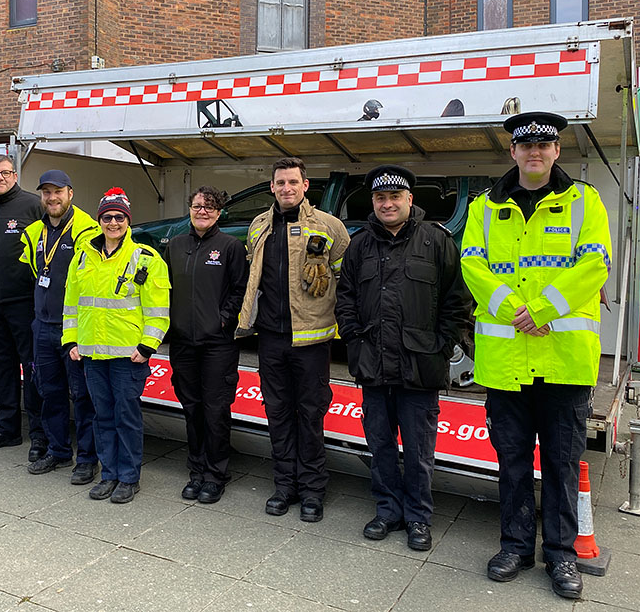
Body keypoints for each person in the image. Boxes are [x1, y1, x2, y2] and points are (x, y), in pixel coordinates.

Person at [460, 112, 612, 600]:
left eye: (544, 145)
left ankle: (562, 555)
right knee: (513, 462)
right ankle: (515, 546)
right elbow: (472, 264)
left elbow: (596, 263)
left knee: (563, 465)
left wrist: (543, 309)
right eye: (525, 145)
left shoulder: (583, 201)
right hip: (507, 365)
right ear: (513, 152)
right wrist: (515, 309)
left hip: (563, 362)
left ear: (556, 151)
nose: (534, 152)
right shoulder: (485, 207)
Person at [335, 165, 471, 550]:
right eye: (380, 198)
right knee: (379, 446)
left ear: (410, 200)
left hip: (420, 367)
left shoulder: (435, 241)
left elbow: (457, 301)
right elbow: (345, 298)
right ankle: (387, 511)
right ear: (373, 202)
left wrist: (442, 347)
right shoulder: (359, 245)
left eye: (395, 197)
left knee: (418, 451)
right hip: (373, 366)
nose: (388, 204)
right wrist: (354, 341)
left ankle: (418, 518)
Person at [235, 157, 350, 522]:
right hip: (270, 339)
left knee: (311, 415)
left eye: (293, 182)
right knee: (278, 414)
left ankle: (314, 490)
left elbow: (346, 283)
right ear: (272, 187)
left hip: (312, 342)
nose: (286, 188)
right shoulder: (258, 226)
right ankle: (285, 485)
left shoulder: (330, 227)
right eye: (280, 182)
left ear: (305, 186)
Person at [63, 188, 170, 504]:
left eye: (119, 217)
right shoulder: (83, 255)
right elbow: (71, 303)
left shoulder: (146, 258)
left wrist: (148, 345)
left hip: (129, 356)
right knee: (103, 416)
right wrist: (71, 339)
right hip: (92, 353)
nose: (113, 222)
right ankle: (108, 474)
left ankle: (128, 478)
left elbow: (158, 308)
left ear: (128, 221)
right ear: (99, 220)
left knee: (126, 417)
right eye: (107, 217)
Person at [166, 186, 248, 504]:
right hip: (183, 342)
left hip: (218, 344)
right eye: (198, 205)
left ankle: (215, 475)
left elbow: (240, 290)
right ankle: (196, 471)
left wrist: (222, 320)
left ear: (220, 212)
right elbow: (165, 289)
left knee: (215, 410)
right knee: (192, 408)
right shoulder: (175, 245)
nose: (203, 211)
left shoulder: (230, 247)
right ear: (190, 208)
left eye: (210, 207)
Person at [18, 169, 100, 484]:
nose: (52, 198)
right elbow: (35, 272)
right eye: (46, 192)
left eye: (58, 192)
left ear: (70, 194)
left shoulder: (88, 230)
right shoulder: (34, 231)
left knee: (82, 395)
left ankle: (88, 458)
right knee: (48, 392)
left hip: (75, 328)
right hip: (43, 325)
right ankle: (59, 450)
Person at [0, 155, 47, 459]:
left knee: (32, 370)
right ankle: (7, 429)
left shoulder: (32, 205)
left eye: (5, 172)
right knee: (2, 369)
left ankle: (40, 434)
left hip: (26, 303)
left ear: (14, 175)